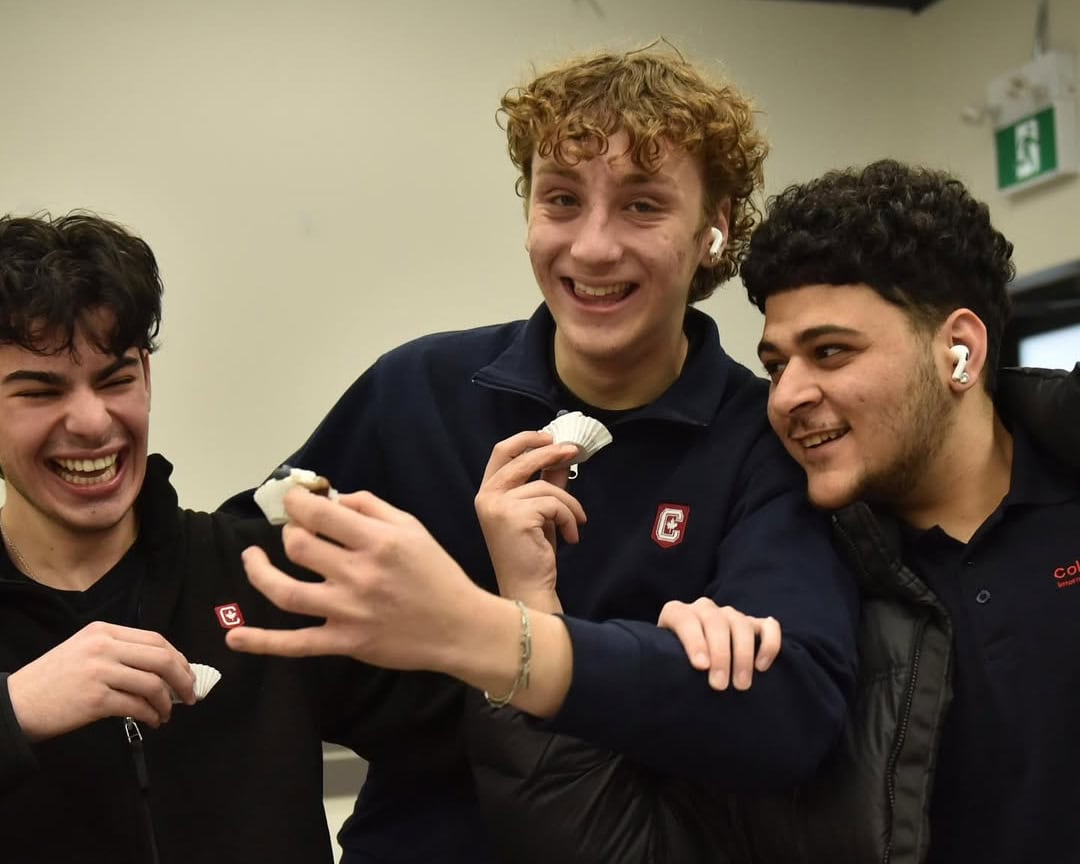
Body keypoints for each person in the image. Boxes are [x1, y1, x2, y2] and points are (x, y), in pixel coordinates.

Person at [223, 46, 860, 863]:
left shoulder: (760, 442)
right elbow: (239, 580)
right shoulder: (417, 390)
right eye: (561, 200)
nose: (591, 248)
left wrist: (489, 633)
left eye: (642, 206)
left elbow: (789, 717)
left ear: (717, 228)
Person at [0, 212, 459, 864]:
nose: (92, 421)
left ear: (147, 377)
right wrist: (13, 711)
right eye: (41, 392)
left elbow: (478, 745)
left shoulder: (267, 576)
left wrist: (513, 598)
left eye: (115, 379)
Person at [660, 159, 1080, 863]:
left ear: (960, 350)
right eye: (776, 365)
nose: (786, 396)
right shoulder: (792, 591)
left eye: (829, 352)